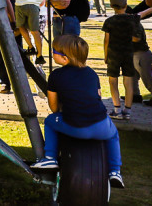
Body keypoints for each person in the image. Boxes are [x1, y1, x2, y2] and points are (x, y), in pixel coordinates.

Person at [31, 35, 124, 189]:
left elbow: (54, 107)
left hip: (75, 126)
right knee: (113, 135)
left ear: (65, 59)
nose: (52, 53)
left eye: (54, 51)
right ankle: (115, 171)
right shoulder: (92, 74)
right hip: (101, 124)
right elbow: (98, 97)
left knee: (50, 120)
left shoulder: (56, 75)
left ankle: (50, 157)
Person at [15, 0, 45, 64]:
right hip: (34, 4)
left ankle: (31, 47)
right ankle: (39, 55)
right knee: (35, 31)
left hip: (20, 2)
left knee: (21, 27)